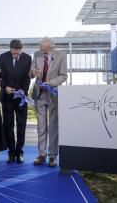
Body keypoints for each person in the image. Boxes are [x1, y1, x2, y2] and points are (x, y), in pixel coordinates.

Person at [30, 37, 67, 167]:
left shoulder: (61, 56)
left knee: (53, 127)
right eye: (40, 47)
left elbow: (63, 76)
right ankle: (41, 154)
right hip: (39, 94)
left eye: (43, 48)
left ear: (51, 47)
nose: (40, 49)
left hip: (53, 95)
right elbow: (31, 72)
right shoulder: (37, 54)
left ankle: (52, 156)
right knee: (41, 126)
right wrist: (32, 72)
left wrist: (50, 83)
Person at [0, 39, 32, 164]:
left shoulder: (28, 58)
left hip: (21, 98)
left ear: (21, 49)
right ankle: (11, 152)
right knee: (8, 125)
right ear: (11, 49)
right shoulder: (3, 57)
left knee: (21, 125)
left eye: (18, 53)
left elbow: (28, 78)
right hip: (6, 97)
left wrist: (23, 90)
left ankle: (19, 152)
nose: (16, 55)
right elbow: (0, 76)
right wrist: (5, 87)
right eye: (14, 53)